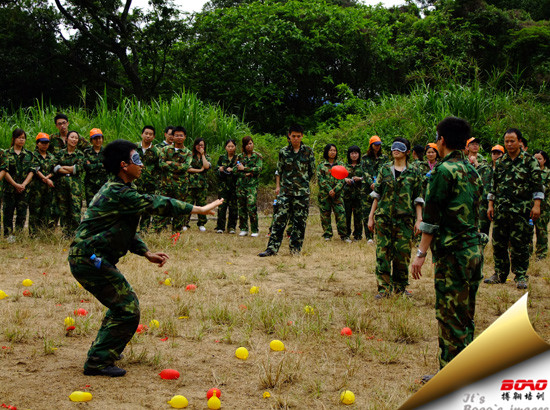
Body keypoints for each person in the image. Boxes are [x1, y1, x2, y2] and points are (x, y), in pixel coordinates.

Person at [68, 139, 222, 377]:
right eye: (136, 160)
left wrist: (146, 252)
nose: (141, 165)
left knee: (120, 304)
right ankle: (98, 361)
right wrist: (197, 209)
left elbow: (125, 229)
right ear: (123, 165)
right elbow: (156, 203)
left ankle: (107, 348)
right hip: (88, 258)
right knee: (127, 308)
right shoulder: (118, 192)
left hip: (90, 257)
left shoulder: (123, 191)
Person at [411, 116, 485, 381]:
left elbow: (431, 219)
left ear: (441, 140)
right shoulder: (473, 170)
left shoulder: (443, 172)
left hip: (453, 256)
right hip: (474, 253)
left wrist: (420, 255)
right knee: (466, 315)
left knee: (449, 315)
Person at [485, 128, 543, 289]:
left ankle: (521, 275)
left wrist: (537, 205)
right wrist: (491, 205)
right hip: (501, 210)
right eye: (506, 141)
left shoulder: (529, 161)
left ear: (519, 142)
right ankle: (500, 273)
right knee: (498, 243)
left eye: (512, 141)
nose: (509, 144)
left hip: (522, 210)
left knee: (520, 243)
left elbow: (538, 185)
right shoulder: (501, 162)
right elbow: (493, 185)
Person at [368, 137, 423, 298]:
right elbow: (377, 195)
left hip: (404, 221)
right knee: (382, 254)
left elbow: (418, 198)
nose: (395, 149)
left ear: (407, 151)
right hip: (384, 219)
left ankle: (400, 287)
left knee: (402, 254)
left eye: (400, 147)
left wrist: (419, 220)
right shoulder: (384, 169)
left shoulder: (414, 172)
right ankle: (384, 289)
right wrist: (371, 216)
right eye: (393, 147)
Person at [258, 124, 315, 256]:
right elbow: (279, 170)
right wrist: (278, 186)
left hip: (302, 193)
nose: (295, 138)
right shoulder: (283, 152)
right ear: (289, 136)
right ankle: (272, 248)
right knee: (279, 219)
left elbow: (311, 171)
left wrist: (302, 183)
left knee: (299, 222)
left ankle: (295, 249)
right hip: (286, 192)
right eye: (293, 136)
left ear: (302, 136)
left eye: (298, 136)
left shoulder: (308, 151)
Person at [154, 126, 193, 232]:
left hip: (180, 187)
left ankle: (176, 233)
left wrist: (170, 163)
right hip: (165, 185)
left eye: (181, 135)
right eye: (176, 135)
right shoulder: (165, 149)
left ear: (185, 137)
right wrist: (177, 166)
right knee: (162, 207)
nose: (179, 137)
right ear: (173, 137)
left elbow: (185, 167)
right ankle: (158, 232)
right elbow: (161, 164)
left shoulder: (188, 152)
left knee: (179, 210)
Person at [3, 128, 33, 239]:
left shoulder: (29, 154)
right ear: (14, 139)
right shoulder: (6, 153)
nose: (21, 140)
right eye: (19, 138)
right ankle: (8, 235)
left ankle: (19, 235)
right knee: (8, 213)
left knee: (22, 213)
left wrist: (23, 184)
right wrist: (15, 184)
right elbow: (4, 171)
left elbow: (32, 171)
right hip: (9, 189)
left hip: (24, 189)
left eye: (23, 138)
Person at [54, 130, 85, 238]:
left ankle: (75, 233)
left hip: (75, 187)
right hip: (61, 186)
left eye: (76, 138)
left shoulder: (80, 154)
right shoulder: (60, 153)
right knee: (63, 208)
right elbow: (55, 167)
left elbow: (79, 168)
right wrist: (71, 169)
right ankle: (65, 233)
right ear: (67, 139)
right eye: (72, 137)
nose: (74, 140)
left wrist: (64, 168)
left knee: (75, 208)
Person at [316, 143, 349, 242]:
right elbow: (320, 179)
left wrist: (335, 190)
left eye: (334, 150)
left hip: (337, 195)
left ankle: (344, 235)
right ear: (327, 152)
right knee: (325, 215)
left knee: (341, 215)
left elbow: (343, 179)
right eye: (330, 150)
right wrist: (329, 189)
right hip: (324, 195)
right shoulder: (321, 165)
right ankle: (327, 234)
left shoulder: (341, 164)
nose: (332, 152)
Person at [361, 135, 388, 244]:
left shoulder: (384, 158)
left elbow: (385, 171)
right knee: (367, 211)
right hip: (367, 188)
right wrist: (371, 182)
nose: (377, 147)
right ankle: (369, 236)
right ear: (371, 145)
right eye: (375, 145)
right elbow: (364, 172)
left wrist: (378, 183)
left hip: (380, 187)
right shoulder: (364, 158)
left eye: (379, 145)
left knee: (380, 211)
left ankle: (380, 234)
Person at [28, 133, 56, 236]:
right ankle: (33, 233)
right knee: (35, 210)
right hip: (36, 187)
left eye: (46, 143)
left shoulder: (51, 156)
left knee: (46, 209)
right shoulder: (32, 155)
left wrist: (48, 177)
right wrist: (45, 178)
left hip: (48, 188)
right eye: (42, 143)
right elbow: (35, 168)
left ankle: (43, 233)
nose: (44, 145)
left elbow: (54, 169)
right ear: (37, 143)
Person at [235, 136, 263, 237]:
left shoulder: (257, 156)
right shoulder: (240, 157)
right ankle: (243, 228)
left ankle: (255, 229)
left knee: (251, 206)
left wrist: (245, 169)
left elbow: (258, 169)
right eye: (247, 144)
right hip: (241, 185)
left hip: (252, 186)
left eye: (250, 143)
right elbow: (235, 170)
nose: (249, 146)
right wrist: (247, 171)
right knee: (241, 207)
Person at [182, 138, 212, 232]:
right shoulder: (190, 156)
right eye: (198, 145)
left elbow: (206, 166)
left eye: (202, 145)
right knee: (188, 204)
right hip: (190, 185)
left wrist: (202, 155)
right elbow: (187, 168)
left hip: (202, 186)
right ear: (195, 146)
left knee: (202, 204)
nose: (200, 147)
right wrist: (199, 170)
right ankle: (185, 223)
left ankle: (201, 223)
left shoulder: (207, 156)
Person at [134, 125, 160, 232]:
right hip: (135, 184)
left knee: (147, 208)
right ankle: (132, 230)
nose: (148, 136)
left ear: (153, 137)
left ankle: (144, 230)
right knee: (134, 208)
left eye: (150, 134)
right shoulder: (134, 148)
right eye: (146, 133)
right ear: (142, 134)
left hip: (149, 185)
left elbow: (158, 170)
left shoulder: (156, 152)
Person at [215, 139, 238, 234]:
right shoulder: (222, 158)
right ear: (225, 147)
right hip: (223, 187)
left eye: (232, 146)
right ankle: (220, 227)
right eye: (228, 146)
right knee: (222, 207)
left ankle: (232, 227)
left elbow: (241, 171)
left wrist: (233, 170)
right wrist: (220, 169)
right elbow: (215, 170)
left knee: (233, 208)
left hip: (234, 186)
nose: (230, 148)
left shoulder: (238, 158)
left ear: (235, 147)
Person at [344, 146, 363, 241]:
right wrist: (345, 179)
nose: (354, 155)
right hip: (347, 194)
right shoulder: (345, 166)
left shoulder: (362, 166)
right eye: (352, 153)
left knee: (358, 216)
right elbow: (339, 177)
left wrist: (360, 178)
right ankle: (346, 234)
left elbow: (367, 177)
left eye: (356, 153)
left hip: (359, 194)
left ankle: (358, 235)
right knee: (347, 215)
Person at [83, 128, 107, 206]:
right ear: (91, 140)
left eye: (99, 138)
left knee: (103, 207)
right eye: (95, 139)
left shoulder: (107, 152)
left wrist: (92, 165)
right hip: (90, 184)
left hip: (104, 184)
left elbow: (109, 167)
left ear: (102, 139)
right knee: (91, 207)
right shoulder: (87, 152)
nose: (98, 141)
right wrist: (101, 165)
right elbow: (87, 168)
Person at [533, 149, 550, 259]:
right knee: (528, 231)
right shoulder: (530, 172)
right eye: (535, 159)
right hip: (529, 205)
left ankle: (541, 254)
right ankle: (527, 252)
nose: (537, 161)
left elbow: (544, 189)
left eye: (539, 159)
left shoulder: (548, 173)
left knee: (541, 231)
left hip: (543, 207)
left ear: (544, 160)